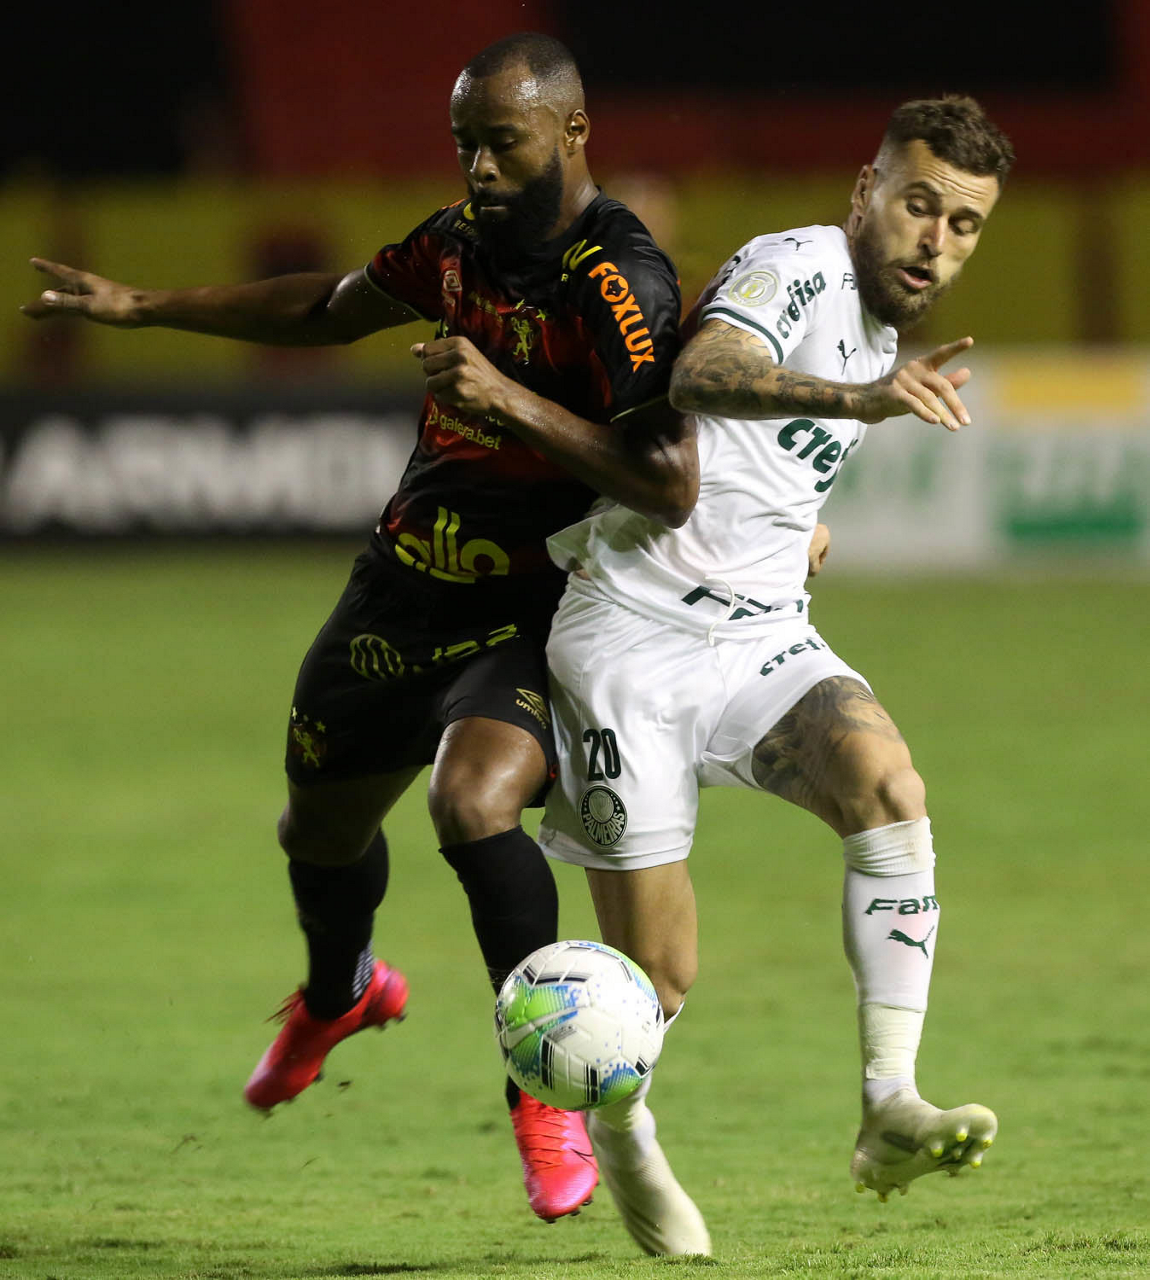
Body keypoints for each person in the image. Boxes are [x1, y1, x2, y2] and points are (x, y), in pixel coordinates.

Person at [22, 33, 699, 1225]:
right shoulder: (457, 243)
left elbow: (668, 478)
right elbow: (333, 307)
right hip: (402, 585)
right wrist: (144, 306)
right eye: (465, 145)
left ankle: (540, 1090)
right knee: (319, 830)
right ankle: (340, 992)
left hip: (531, 607)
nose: (479, 168)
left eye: (502, 143)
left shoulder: (619, 281)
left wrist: (505, 398)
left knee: (471, 802)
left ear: (573, 132)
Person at [536, 96, 1014, 1254]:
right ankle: (623, 1130)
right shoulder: (798, 263)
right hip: (629, 641)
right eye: (916, 204)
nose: (933, 239)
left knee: (888, 786)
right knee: (658, 980)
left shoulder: (880, 335)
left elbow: (756, 464)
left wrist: (799, 528)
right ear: (864, 193)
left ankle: (888, 1105)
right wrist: (856, 402)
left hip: (759, 639)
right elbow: (706, 373)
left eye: (961, 224)